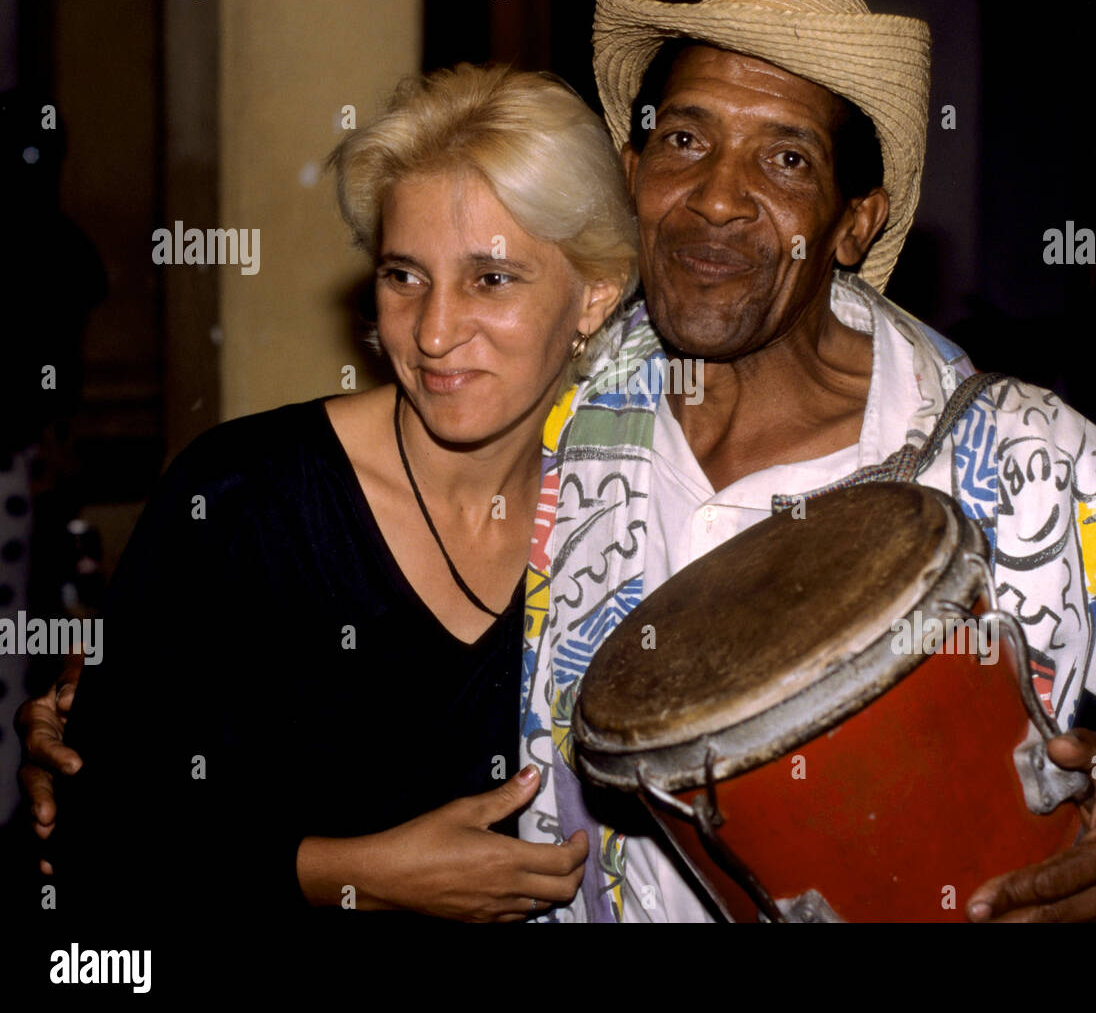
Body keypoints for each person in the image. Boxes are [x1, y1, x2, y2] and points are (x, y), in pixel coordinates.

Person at [516, 0, 1096, 922]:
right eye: (685, 138)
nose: (717, 197)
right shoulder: (545, 409)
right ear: (632, 173)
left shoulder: (1021, 464)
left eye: (786, 158)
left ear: (854, 223)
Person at [23, 63, 637, 930]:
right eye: (403, 276)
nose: (431, 331)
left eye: (491, 279)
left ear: (595, 294)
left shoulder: (621, 513)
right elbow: (91, 844)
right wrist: (352, 874)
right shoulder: (242, 501)